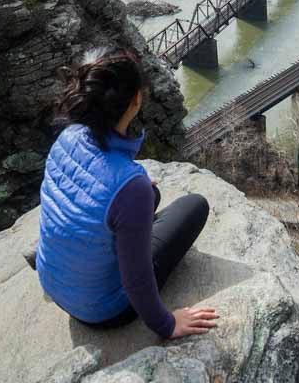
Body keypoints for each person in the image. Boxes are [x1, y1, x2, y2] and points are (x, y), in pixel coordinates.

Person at [36, 48, 217, 339]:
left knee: (148, 197)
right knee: (195, 206)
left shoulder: (67, 137)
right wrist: (167, 324)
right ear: (136, 100)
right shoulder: (129, 185)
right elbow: (136, 280)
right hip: (103, 311)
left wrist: (141, 195)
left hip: (55, 285)